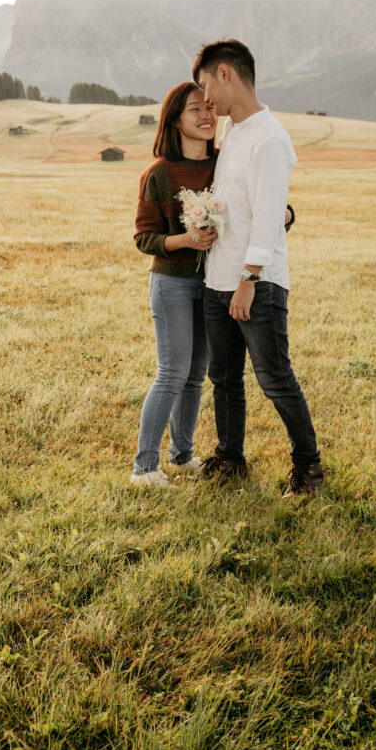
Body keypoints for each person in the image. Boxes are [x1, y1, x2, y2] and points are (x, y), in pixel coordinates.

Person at [192, 39, 323, 497]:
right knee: (224, 378)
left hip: (256, 285)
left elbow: (269, 219)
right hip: (217, 280)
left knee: (275, 378)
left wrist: (248, 280)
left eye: (207, 87)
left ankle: (308, 468)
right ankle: (230, 457)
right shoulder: (232, 133)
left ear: (226, 74)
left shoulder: (268, 138)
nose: (206, 100)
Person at [130, 82, 218, 487]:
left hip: (212, 283)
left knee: (197, 371)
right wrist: (184, 240)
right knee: (172, 372)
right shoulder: (159, 174)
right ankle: (144, 469)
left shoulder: (224, 165)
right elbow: (143, 238)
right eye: (194, 110)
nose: (206, 116)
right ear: (175, 120)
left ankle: (182, 456)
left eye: (210, 107)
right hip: (172, 285)